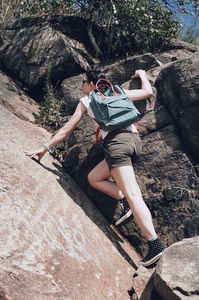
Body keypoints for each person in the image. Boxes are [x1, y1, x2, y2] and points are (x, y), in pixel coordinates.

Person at [25, 69, 165, 267]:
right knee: (94, 177)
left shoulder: (87, 101)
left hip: (117, 145)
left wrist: (44, 149)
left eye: (83, 82)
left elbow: (66, 131)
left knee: (134, 195)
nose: (82, 85)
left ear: (91, 83)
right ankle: (122, 198)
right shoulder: (117, 92)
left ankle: (154, 244)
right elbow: (148, 92)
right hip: (134, 142)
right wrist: (142, 74)